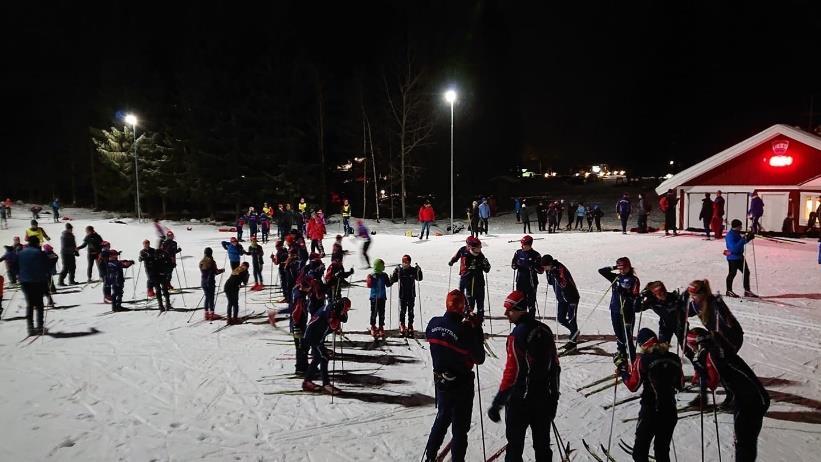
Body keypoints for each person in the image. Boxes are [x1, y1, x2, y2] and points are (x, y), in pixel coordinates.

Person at [487, 290, 561, 462]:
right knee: (542, 446)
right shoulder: (545, 330)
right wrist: (553, 398)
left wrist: (498, 403)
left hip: (520, 401)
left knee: (514, 447)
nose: (506, 313)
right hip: (543, 399)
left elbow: (512, 373)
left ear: (521, 310)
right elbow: (555, 367)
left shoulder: (517, 335)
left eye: (510, 310)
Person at [686, 327, 769, 461]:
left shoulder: (712, 354)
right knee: (745, 442)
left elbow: (712, 383)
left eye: (691, 346)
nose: (691, 350)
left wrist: (700, 369)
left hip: (750, 400)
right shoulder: (717, 348)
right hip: (750, 397)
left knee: (744, 443)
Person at [422, 290, 485, 462]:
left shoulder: (433, 323)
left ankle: (430, 456)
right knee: (459, 428)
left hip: (441, 382)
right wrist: (476, 329)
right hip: (461, 384)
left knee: (442, 419)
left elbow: (433, 334)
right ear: (462, 307)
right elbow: (479, 358)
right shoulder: (464, 331)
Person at [616, 328, 683, 462]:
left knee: (639, 453)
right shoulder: (674, 358)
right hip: (670, 411)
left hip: (650, 411)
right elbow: (680, 384)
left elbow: (632, 385)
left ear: (642, 345)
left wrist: (622, 370)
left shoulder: (643, 360)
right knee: (662, 451)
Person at [686, 279, 745, 409]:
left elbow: (726, 324)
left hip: (730, 339)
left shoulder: (714, 304)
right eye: (690, 295)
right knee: (703, 359)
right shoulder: (696, 304)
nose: (692, 298)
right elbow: (685, 311)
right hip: (717, 338)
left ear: (702, 294)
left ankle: (735, 396)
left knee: (720, 366)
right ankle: (705, 397)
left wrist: (722, 313)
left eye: (694, 295)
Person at [301, 297, 351, 393]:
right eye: (344, 310)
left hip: (319, 336)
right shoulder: (330, 312)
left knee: (319, 358)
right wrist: (335, 326)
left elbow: (341, 319)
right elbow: (331, 324)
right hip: (313, 336)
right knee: (323, 357)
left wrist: (337, 325)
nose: (344, 312)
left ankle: (308, 382)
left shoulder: (334, 308)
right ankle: (324, 384)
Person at [598, 257, 640, 361]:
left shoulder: (633, 279)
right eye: (620, 268)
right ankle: (622, 354)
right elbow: (601, 271)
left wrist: (626, 293)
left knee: (627, 337)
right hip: (615, 309)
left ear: (629, 267)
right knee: (618, 335)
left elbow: (635, 296)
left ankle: (632, 358)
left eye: (624, 268)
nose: (621, 270)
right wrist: (615, 267)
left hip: (627, 312)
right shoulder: (616, 277)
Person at [449, 236, 491, 321]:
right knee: (462, 293)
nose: (480, 249)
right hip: (465, 276)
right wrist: (452, 261)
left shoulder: (480, 256)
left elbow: (486, 269)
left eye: (480, 247)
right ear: (472, 247)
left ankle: (479, 315)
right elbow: (458, 257)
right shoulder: (464, 251)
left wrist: (486, 265)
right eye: (478, 247)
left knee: (478, 298)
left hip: (477, 280)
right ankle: (464, 311)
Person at [541, 255, 580, 347]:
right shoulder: (550, 270)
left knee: (571, 319)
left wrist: (556, 275)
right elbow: (550, 282)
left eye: (545, 267)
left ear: (550, 264)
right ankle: (574, 331)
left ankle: (573, 341)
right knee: (561, 319)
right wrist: (548, 273)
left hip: (571, 298)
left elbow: (563, 284)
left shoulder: (560, 268)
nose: (544, 269)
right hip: (562, 299)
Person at [634, 281, 687, 348]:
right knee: (662, 348)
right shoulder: (652, 301)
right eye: (660, 294)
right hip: (665, 325)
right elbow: (637, 309)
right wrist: (640, 297)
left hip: (680, 324)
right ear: (654, 294)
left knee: (686, 347)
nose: (663, 295)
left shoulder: (673, 297)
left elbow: (686, 309)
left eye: (664, 292)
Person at [18, 236, 50, 335]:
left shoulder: (21, 253)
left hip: (25, 281)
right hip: (37, 281)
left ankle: (30, 328)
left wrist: (20, 274)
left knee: (30, 304)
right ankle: (40, 326)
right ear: (37, 243)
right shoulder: (40, 253)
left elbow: (15, 265)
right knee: (39, 304)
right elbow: (47, 265)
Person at [390, 255, 423, 336]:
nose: (405, 264)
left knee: (411, 311)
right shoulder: (400, 271)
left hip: (411, 294)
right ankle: (402, 324)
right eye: (404, 262)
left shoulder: (412, 270)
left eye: (407, 262)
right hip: (403, 294)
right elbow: (393, 280)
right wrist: (395, 272)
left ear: (409, 262)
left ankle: (410, 325)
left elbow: (419, 278)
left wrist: (419, 271)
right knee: (403, 310)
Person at [511, 235, 543, 316]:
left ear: (529, 245)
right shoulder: (518, 252)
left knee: (531, 303)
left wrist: (533, 266)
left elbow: (541, 270)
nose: (522, 246)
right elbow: (513, 264)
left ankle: (531, 320)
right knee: (521, 302)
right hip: (520, 281)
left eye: (524, 244)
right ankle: (522, 320)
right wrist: (515, 265)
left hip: (531, 282)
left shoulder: (536, 255)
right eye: (521, 244)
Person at [725, 219, 757, 297]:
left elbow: (741, 242)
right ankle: (729, 291)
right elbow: (734, 248)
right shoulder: (730, 236)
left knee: (746, 272)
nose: (741, 227)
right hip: (733, 258)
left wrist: (748, 238)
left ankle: (747, 291)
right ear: (736, 227)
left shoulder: (736, 233)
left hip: (740, 257)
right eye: (740, 226)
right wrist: (743, 239)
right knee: (732, 273)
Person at [366, 258, 392, 338]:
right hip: (374, 298)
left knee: (381, 313)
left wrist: (392, 279)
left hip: (382, 298)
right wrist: (369, 279)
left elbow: (388, 284)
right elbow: (369, 285)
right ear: (379, 266)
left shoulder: (384, 275)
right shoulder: (372, 275)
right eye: (383, 265)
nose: (384, 267)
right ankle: (373, 326)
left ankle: (381, 327)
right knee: (374, 313)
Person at [200, 247, 224, 320]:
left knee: (207, 297)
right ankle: (212, 313)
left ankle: (206, 313)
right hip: (210, 281)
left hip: (203, 281)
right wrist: (222, 270)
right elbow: (215, 272)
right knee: (211, 298)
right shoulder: (212, 262)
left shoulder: (201, 262)